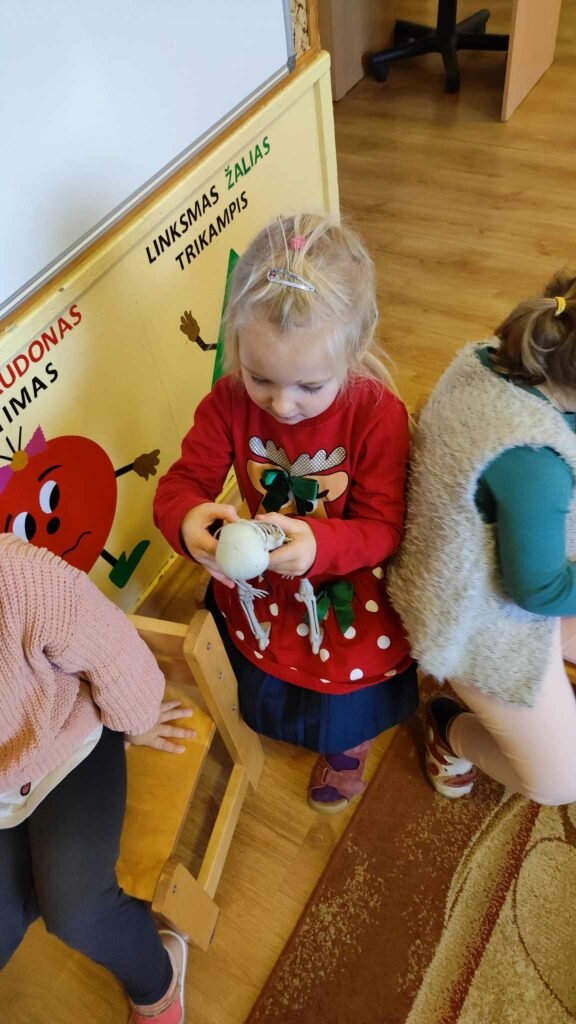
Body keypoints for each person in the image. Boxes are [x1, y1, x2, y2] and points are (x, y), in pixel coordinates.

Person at [154, 213, 418, 813]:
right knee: (260, 675)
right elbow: (182, 485)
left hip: (344, 579)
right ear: (237, 346)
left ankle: (347, 743)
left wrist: (320, 546)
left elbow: (383, 528)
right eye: (261, 378)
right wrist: (188, 522)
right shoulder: (227, 401)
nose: (282, 403)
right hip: (262, 580)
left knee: (346, 699)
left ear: (355, 351)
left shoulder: (378, 415)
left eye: (310, 387)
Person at [389, 271, 576, 805]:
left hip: (497, 558)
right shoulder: (533, 462)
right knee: (561, 782)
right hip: (476, 621)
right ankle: (450, 732)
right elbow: (539, 591)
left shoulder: (501, 358)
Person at [0, 534, 195, 1024]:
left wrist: (137, 719)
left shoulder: (18, 574)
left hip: (68, 740)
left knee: (79, 911)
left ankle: (158, 982)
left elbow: (112, 649)